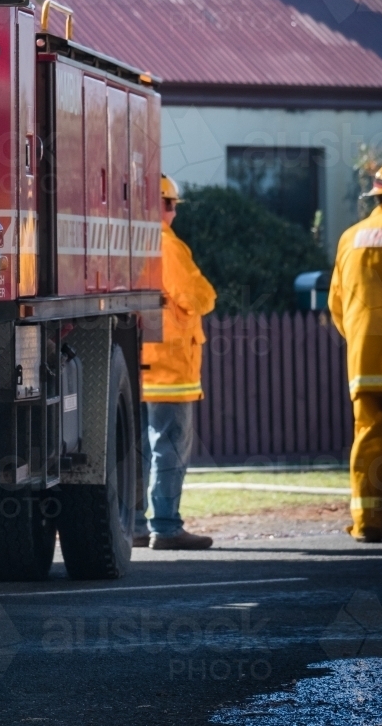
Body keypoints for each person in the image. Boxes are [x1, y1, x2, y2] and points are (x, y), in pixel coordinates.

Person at [134, 174, 216, 550]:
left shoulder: (128, 242)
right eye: (170, 205)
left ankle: (135, 524)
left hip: (137, 364)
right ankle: (165, 526)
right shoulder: (166, 244)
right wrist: (206, 291)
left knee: (136, 449)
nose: (172, 213)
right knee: (168, 448)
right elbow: (197, 295)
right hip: (168, 367)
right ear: (161, 206)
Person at [329, 161, 382, 543]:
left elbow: (337, 303)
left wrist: (360, 339)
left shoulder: (350, 237)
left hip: (365, 362)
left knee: (371, 440)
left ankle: (369, 525)